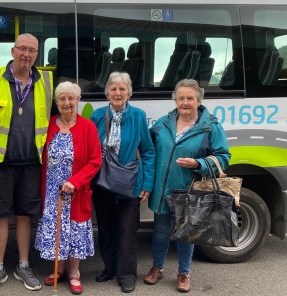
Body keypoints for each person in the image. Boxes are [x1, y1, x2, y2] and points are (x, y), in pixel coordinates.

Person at [0, 33, 55, 294]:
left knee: (25, 215)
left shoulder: (47, 81)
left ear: (37, 55)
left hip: (32, 163)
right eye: (22, 49)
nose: (26, 55)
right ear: (12, 51)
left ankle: (24, 265)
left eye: (32, 51)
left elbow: (55, 121)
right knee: (0, 215)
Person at [144, 79, 230, 293]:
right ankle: (157, 267)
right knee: (161, 232)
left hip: (188, 190)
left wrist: (198, 163)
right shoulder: (162, 123)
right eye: (181, 98)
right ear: (175, 99)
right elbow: (149, 150)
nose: (185, 102)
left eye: (189, 98)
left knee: (187, 232)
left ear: (198, 100)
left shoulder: (210, 126)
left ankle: (184, 273)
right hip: (162, 189)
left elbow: (223, 157)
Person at [90, 71, 156, 293]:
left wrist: (147, 184)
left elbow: (147, 151)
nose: (117, 93)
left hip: (130, 184)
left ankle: (127, 275)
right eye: (113, 88)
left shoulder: (138, 116)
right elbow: (89, 151)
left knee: (127, 231)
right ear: (107, 92)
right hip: (103, 183)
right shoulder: (98, 115)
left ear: (129, 92)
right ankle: (110, 268)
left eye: (122, 89)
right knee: (106, 228)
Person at [34, 81, 102, 295]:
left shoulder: (87, 127)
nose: (67, 102)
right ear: (56, 102)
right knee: (57, 230)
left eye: (71, 98)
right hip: (53, 190)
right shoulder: (50, 123)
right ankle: (58, 269)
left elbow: (95, 160)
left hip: (76, 191)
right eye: (62, 98)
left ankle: (74, 273)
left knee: (75, 230)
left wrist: (75, 181)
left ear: (78, 100)